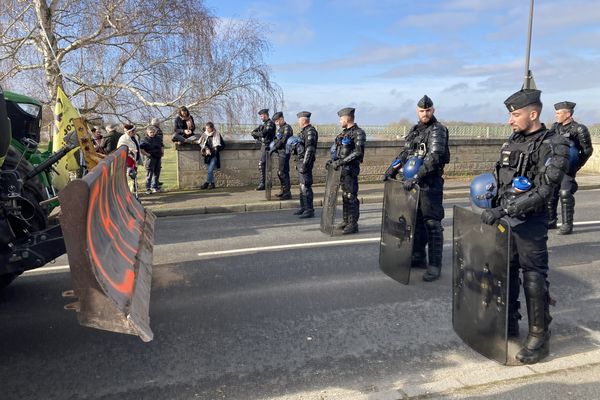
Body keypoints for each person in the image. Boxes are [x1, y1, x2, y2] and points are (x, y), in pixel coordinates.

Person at [480, 88, 570, 364]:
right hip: (506, 220)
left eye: (515, 114)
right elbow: (501, 178)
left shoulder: (554, 144)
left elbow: (544, 190)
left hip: (531, 223)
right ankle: (509, 323)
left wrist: (504, 209)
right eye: (510, 115)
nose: (510, 120)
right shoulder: (512, 140)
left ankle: (538, 337)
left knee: (533, 277)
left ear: (533, 114)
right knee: (505, 272)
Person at [383, 95, 449, 281]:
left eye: (428, 110)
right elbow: (405, 153)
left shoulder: (438, 130)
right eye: (422, 110)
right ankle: (419, 256)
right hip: (412, 184)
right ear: (417, 111)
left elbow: (434, 157)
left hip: (430, 184)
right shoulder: (414, 130)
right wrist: (392, 169)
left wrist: (417, 176)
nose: (425, 113)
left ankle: (435, 265)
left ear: (433, 110)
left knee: (432, 224)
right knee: (417, 222)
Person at [546, 101, 594, 234]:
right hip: (555, 165)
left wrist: (577, 165)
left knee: (565, 193)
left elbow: (587, 150)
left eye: (558, 113)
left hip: (569, 167)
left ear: (568, 114)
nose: (556, 116)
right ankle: (551, 221)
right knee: (551, 191)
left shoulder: (579, 129)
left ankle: (567, 225)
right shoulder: (555, 127)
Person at [329, 107, 366, 234]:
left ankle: (353, 224)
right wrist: (333, 161)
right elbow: (338, 152)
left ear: (347, 118)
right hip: (342, 171)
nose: (340, 121)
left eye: (341, 118)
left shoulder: (359, 133)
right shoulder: (343, 133)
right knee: (345, 195)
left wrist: (342, 162)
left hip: (350, 170)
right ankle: (345, 220)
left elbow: (358, 152)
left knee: (351, 196)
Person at [294, 111, 318, 218]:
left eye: (299, 120)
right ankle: (303, 207)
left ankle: (309, 210)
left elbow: (310, 149)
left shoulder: (310, 131)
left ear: (304, 120)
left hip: (305, 162)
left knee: (306, 185)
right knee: (301, 186)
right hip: (300, 161)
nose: (298, 122)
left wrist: (304, 164)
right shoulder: (303, 131)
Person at [269, 112, 293, 200]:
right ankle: (283, 190)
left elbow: (283, 140)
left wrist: (274, 147)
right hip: (281, 152)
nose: (276, 123)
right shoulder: (280, 129)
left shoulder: (287, 128)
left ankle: (287, 193)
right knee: (281, 172)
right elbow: (276, 139)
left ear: (282, 119)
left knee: (282, 172)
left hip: (285, 152)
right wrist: (273, 146)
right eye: (275, 122)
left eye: (277, 121)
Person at [250, 109, 276, 190]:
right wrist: (258, 135)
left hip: (268, 146)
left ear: (265, 115)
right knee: (263, 165)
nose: (261, 117)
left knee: (262, 164)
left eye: (261, 116)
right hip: (263, 146)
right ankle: (265, 184)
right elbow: (253, 132)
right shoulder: (263, 124)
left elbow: (264, 133)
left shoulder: (270, 123)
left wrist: (257, 135)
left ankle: (263, 184)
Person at [198, 122, 224, 189]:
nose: (207, 129)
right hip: (208, 155)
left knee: (210, 170)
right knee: (210, 170)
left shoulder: (217, 134)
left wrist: (216, 149)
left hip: (214, 155)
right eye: (206, 128)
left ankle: (206, 183)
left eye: (208, 128)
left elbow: (223, 145)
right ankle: (212, 184)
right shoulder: (204, 134)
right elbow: (201, 143)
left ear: (212, 128)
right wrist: (206, 148)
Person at [139, 125, 164, 194]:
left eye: (153, 132)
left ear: (155, 132)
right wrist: (147, 154)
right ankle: (148, 188)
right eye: (151, 132)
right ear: (147, 132)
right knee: (149, 173)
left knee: (157, 173)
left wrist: (162, 152)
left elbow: (162, 145)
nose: (152, 133)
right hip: (150, 158)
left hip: (158, 157)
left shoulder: (158, 138)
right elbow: (141, 149)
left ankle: (155, 187)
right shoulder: (144, 139)